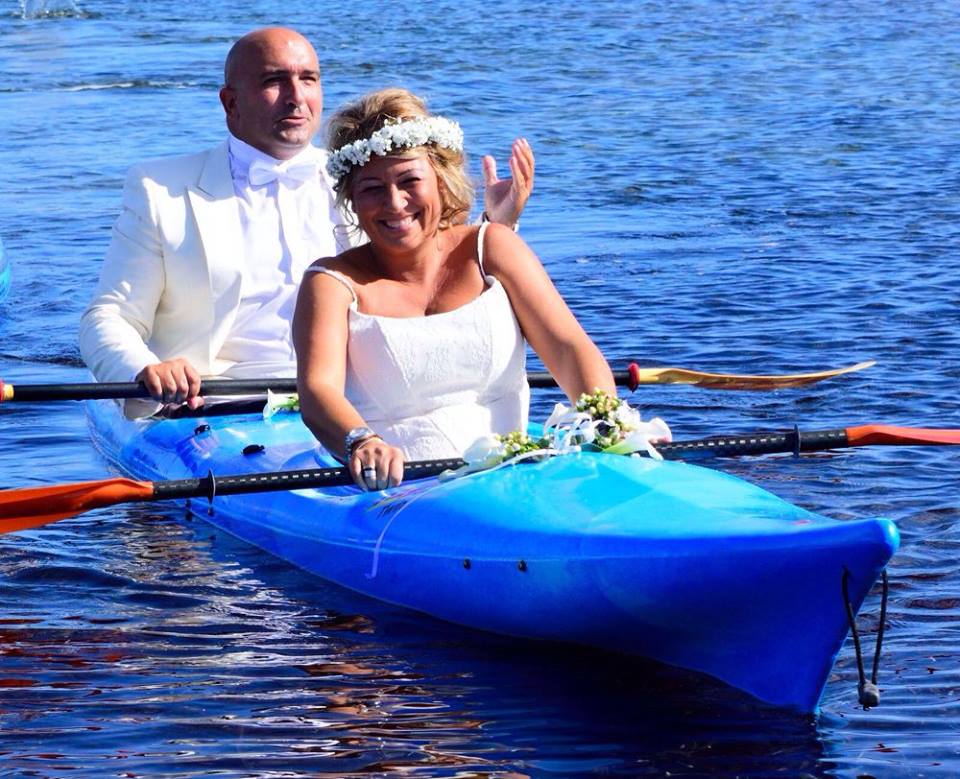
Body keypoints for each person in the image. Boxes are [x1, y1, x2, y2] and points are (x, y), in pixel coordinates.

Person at [78, 27, 534, 417]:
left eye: (308, 79)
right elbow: (109, 317)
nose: (297, 97)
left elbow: (434, 283)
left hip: (354, 403)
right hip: (212, 410)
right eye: (275, 81)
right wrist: (145, 370)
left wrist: (497, 224)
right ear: (230, 102)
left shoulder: (368, 182)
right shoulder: (161, 189)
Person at [293, 88, 615, 492]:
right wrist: (362, 441)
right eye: (372, 188)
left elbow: (568, 348)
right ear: (352, 200)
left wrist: (605, 419)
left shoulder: (494, 246)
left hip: (516, 478)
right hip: (396, 489)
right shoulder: (330, 283)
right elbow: (318, 390)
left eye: (410, 180)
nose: (394, 203)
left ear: (441, 182)